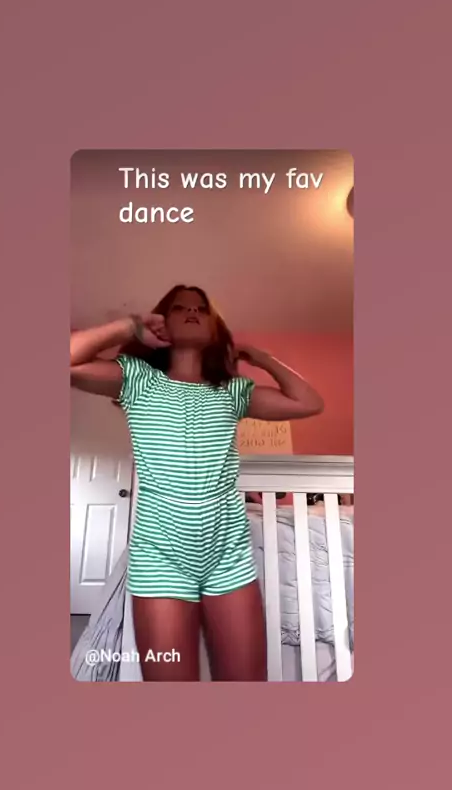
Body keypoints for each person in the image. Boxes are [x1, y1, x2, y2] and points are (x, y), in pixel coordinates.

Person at [70, 285, 324, 682]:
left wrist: (261, 358)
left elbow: (309, 403)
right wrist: (129, 326)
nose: (192, 312)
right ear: (163, 322)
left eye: (201, 309)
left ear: (214, 327)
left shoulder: (232, 391)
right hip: (160, 555)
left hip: (228, 554)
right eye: (180, 308)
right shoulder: (137, 379)